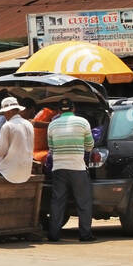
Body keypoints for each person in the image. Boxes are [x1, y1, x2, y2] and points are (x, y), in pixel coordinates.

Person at [47, 98, 96, 242]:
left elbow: (51, 148)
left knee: (57, 201)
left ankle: (54, 234)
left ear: (58, 111)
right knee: (84, 202)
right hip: (77, 167)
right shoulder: (83, 122)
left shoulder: (52, 125)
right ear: (73, 108)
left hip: (58, 168)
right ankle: (85, 235)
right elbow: (89, 146)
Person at [0, 96, 34, 182]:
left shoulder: (8, 126)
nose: (4, 115)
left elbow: (0, 152)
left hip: (10, 172)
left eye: (4, 112)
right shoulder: (29, 124)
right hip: (26, 172)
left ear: (9, 111)